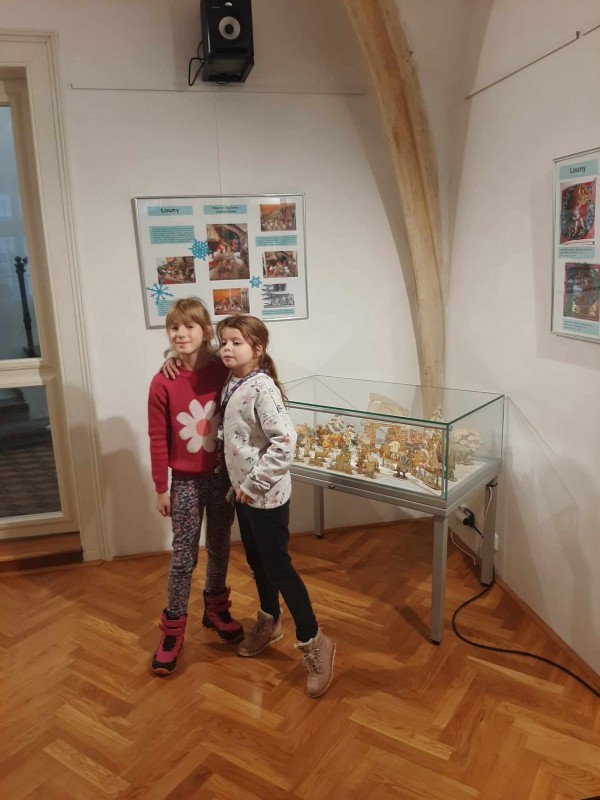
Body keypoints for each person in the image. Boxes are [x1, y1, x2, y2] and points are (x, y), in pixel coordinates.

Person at [216, 314, 336, 698]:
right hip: (244, 495)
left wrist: (254, 484)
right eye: (223, 342)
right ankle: (270, 619)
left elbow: (286, 441)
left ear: (257, 348)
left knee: (279, 568)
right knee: (257, 562)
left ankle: (315, 641)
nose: (227, 348)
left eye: (236, 342)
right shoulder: (233, 380)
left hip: (264, 497)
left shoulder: (262, 387)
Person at [148, 298, 243, 676]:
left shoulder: (224, 371)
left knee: (219, 546)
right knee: (183, 556)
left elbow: (254, 366)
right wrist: (161, 487)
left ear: (206, 332)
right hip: (185, 483)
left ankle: (216, 610)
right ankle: (172, 629)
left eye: (189, 327)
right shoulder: (163, 381)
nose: (181, 334)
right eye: (174, 327)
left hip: (222, 477)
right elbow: (158, 437)